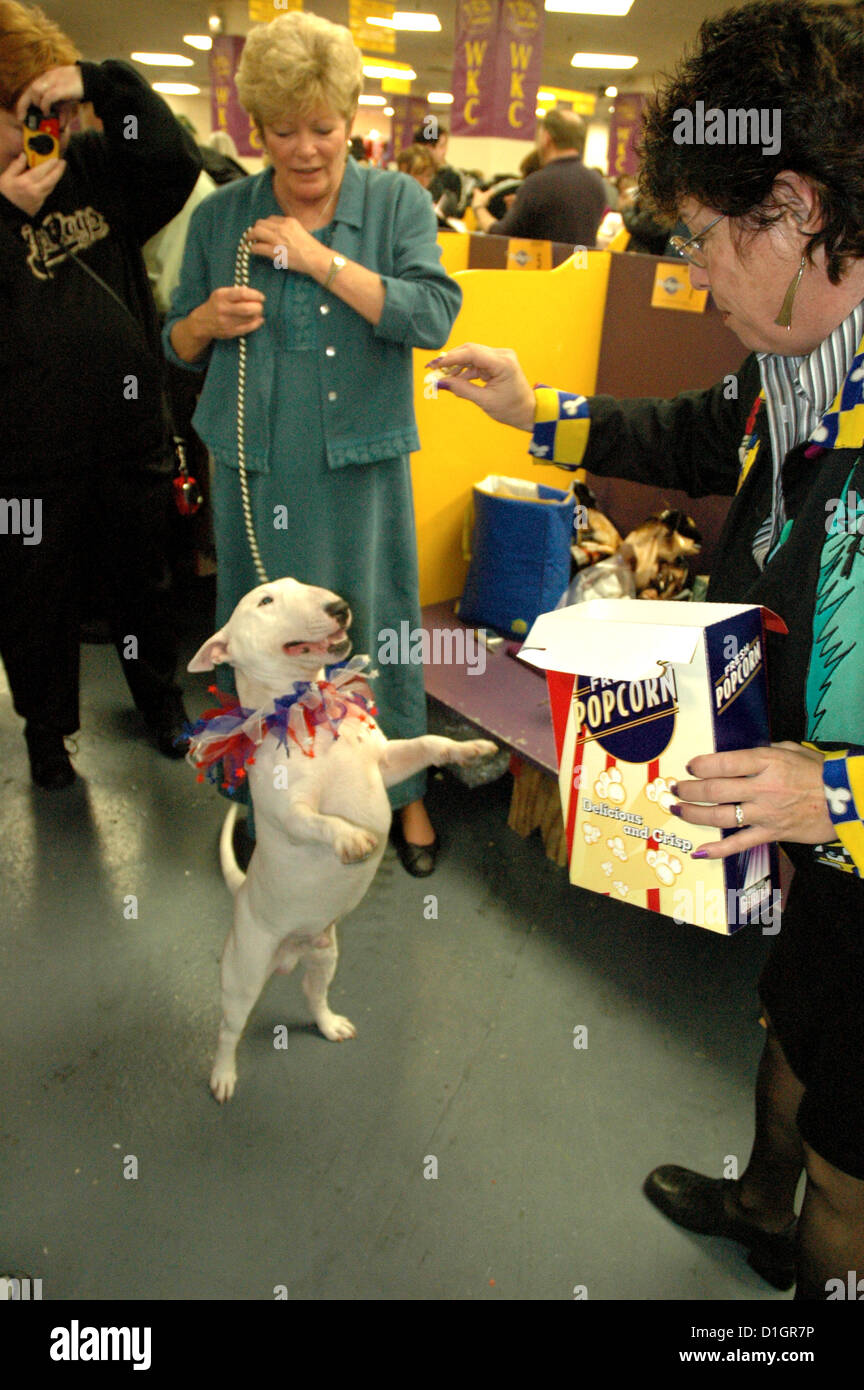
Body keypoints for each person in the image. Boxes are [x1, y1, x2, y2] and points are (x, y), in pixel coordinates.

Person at [429, 0, 864, 1300]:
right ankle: (756, 1195)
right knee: (789, 1025)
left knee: (854, 1162)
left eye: (700, 240)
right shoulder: (797, 365)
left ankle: (813, 1256)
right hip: (817, 850)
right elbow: (689, 436)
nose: (694, 273)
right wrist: (542, 413)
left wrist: (827, 791)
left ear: (789, 212)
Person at [164, 11, 462, 876]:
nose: (304, 150)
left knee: (377, 628)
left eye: (323, 129)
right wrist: (203, 322)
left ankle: (402, 798)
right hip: (255, 472)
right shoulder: (224, 216)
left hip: (361, 469)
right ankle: (267, 798)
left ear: (352, 121)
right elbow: (170, 342)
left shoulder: (396, 201)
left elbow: (433, 313)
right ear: (257, 129)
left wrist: (317, 259)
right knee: (259, 646)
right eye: (283, 131)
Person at [0, 1, 201, 788]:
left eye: (50, 110)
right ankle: (46, 737)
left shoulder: (94, 168)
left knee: (143, 589)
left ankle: (161, 706)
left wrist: (99, 83)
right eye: (23, 113)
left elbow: (172, 158)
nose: (42, 130)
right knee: (33, 606)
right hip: (23, 465)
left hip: (128, 438)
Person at [471, 108, 606, 246]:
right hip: (582, 265)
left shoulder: (538, 183)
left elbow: (501, 235)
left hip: (545, 266)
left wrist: (479, 207)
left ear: (547, 138)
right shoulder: (596, 182)